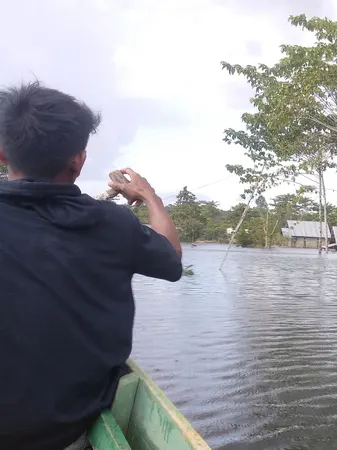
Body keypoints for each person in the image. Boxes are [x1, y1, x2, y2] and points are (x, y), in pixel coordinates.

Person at [0, 82, 183, 450]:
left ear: (3, 154)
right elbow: (171, 259)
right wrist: (150, 197)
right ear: (79, 160)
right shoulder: (112, 224)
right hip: (61, 432)